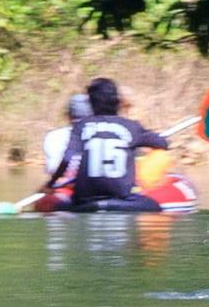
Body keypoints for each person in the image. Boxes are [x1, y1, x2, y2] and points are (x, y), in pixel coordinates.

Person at [41, 77, 182, 210]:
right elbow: (163, 144)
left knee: (61, 206)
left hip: (85, 202)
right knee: (156, 207)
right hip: (122, 200)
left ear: (91, 104)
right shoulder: (132, 127)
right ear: (117, 102)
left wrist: (50, 184)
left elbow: (67, 159)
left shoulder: (81, 126)